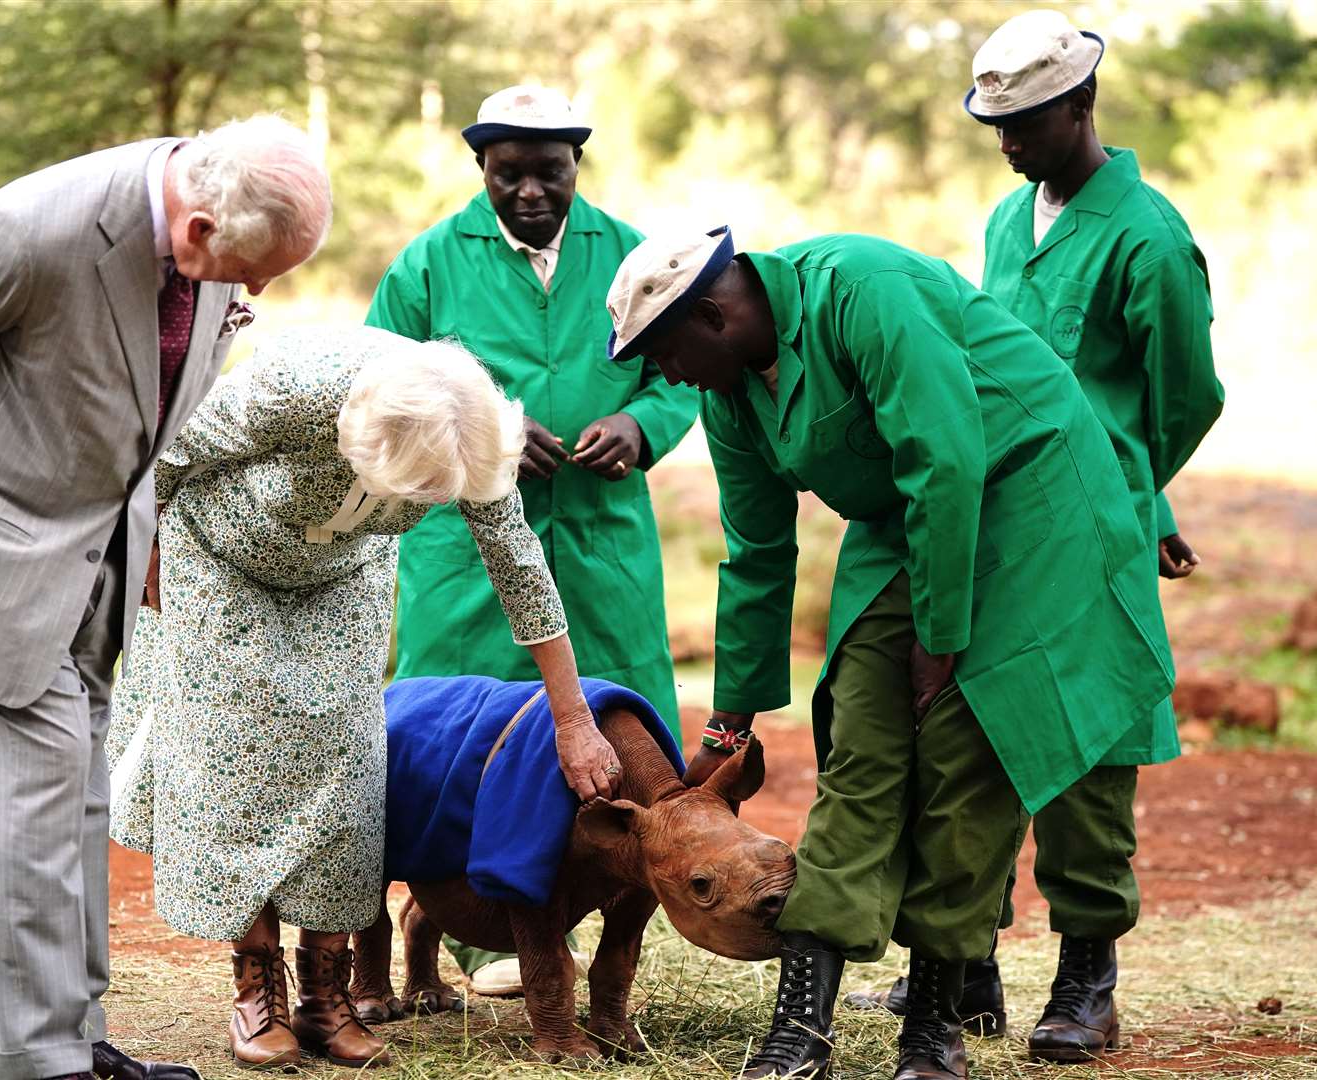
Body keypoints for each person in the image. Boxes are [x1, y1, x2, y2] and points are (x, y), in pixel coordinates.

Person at [607, 227, 1176, 1080]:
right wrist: (730, 725)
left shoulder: (861, 287)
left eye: (665, 355)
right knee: (860, 753)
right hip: (905, 526)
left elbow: (946, 457)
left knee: (964, 752)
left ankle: (935, 1029)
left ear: (715, 315)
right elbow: (757, 553)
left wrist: (942, 642)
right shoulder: (731, 398)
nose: (666, 379)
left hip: (1031, 504)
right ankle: (801, 1034)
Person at [0, 117, 330, 1080]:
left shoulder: (209, 223)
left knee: (73, 799)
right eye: (256, 271)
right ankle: (38, 1062)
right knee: (34, 805)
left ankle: (72, 1035)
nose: (257, 291)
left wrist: (133, 522)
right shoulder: (26, 231)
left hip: (95, 554)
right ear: (196, 232)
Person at [846, 12, 1226, 1064]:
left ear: (1081, 104)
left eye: (1025, 121)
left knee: (1088, 747)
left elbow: (1184, 399)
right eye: (992, 123)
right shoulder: (1011, 224)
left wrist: (1131, 496)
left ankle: (1087, 984)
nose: (1006, 142)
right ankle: (964, 971)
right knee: (974, 731)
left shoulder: (1149, 238)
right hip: (1001, 520)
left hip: (1093, 531)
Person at [105, 327, 623, 1068]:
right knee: (229, 760)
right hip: (220, 556)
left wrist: (573, 719)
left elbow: (520, 566)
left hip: (345, 574)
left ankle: (326, 992)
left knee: (347, 760)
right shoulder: (295, 389)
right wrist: (147, 555)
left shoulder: (470, 425)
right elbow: (165, 458)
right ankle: (258, 989)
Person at [365, 83, 697, 993]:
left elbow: (683, 373)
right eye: (509, 174)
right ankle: (478, 931)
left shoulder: (630, 254)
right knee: (462, 730)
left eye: (549, 172)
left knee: (613, 723)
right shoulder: (429, 263)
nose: (530, 193)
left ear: (576, 165)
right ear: (482, 167)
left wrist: (641, 425)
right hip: (465, 548)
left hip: (601, 538)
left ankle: (596, 914)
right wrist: (490, 428)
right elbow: (379, 382)